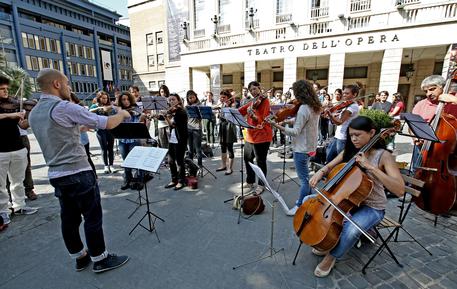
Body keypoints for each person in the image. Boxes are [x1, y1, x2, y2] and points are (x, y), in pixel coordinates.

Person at [29, 68, 129, 273]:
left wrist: (82, 125)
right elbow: (109, 124)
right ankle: (100, 258)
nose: (69, 87)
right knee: (92, 217)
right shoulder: (63, 106)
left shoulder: (35, 111)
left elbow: (62, 130)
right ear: (56, 84)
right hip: (78, 171)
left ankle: (79, 256)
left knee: (69, 218)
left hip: (56, 174)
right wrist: (122, 113)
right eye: (66, 83)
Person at [308, 116, 405, 277]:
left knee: (352, 230)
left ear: (372, 133)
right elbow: (330, 165)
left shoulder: (383, 156)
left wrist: (371, 167)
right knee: (309, 204)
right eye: (351, 135)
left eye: (358, 135)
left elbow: (400, 190)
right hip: (348, 202)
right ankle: (327, 241)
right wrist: (320, 172)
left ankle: (332, 256)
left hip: (372, 207)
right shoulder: (351, 151)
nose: (353, 139)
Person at [269, 80, 321, 215]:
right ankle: (308, 202)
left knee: (304, 180)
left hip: (301, 148)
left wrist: (277, 125)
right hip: (311, 146)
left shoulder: (303, 108)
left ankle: (299, 206)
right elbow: (304, 121)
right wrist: (288, 121)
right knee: (306, 178)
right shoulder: (314, 106)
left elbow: (295, 131)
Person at [0, 76, 38, 230]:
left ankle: (19, 205)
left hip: (17, 147)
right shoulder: (9, 111)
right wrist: (11, 115)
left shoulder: (13, 104)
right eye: (2, 89)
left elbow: (22, 124)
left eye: (7, 89)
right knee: (0, 184)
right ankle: (2, 211)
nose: (6, 92)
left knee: (18, 180)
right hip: (0, 150)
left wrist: (25, 118)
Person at [411, 75, 457, 169]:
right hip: (422, 148)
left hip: (446, 152)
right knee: (416, 172)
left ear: (443, 87)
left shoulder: (452, 101)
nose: (428, 94)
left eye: (432, 89)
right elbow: (412, 125)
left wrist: (454, 100)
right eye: (426, 91)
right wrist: (415, 137)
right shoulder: (421, 104)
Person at [239, 81, 273, 194]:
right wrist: (230, 112)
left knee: (260, 161)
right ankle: (250, 181)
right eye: (251, 90)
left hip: (262, 135)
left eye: (255, 89)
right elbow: (242, 110)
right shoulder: (252, 101)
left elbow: (263, 119)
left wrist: (253, 116)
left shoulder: (265, 101)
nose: (253, 91)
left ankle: (261, 184)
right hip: (250, 135)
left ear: (259, 88)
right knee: (247, 158)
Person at [116, 91, 146, 190]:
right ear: (120, 101)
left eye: (128, 99)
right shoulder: (119, 110)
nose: (126, 101)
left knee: (137, 159)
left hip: (134, 138)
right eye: (124, 99)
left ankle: (140, 179)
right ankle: (127, 179)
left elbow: (141, 118)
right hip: (123, 139)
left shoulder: (135, 107)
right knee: (126, 161)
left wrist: (142, 116)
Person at [325, 85, 360, 163]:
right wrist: (333, 116)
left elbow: (339, 122)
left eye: (347, 93)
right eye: (343, 93)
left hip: (343, 138)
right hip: (338, 136)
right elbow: (338, 120)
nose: (344, 95)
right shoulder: (346, 105)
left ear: (354, 95)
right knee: (329, 158)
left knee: (340, 161)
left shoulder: (352, 107)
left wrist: (330, 115)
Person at [164, 93, 188, 190]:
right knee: (170, 160)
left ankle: (181, 181)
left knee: (179, 160)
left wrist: (166, 117)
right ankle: (174, 180)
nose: (171, 102)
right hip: (173, 138)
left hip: (180, 138)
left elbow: (173, 125)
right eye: (169, 100)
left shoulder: (181, 112)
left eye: (173, 99)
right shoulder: (173, 112)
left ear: (178, 100)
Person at [70, 93, 97, 177]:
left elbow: (88, 123)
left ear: (74, 100)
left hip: (82, 139)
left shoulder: (80, 110)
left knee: (87, 159)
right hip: (71, 141)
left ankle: (93, 176)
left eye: (70, 101)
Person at [91, 91, 117, 174]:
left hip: (110, 129)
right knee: (104, 149)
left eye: (106, 98)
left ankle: (111, 165)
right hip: (100, 130)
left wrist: (111, 109)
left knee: (110, 148)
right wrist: (99, 109)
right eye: (103, 98)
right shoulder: (95, 106)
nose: (105, 100)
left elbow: (115, 115)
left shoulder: (109, 106)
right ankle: (106, 166)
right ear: (99, 98)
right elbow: (89, 111)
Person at [216, 89, 237, 175]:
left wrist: (227, 107)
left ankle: (230, 168)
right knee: (223, 147)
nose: (221, 99)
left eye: (223, 97)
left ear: (228, 97)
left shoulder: (233, 105)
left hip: (229, 127)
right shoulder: (222, 105)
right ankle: (224, 165)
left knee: (230, 148)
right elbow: (220, 117)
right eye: (221, 97)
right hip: (222, 127)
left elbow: (230, 117)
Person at [186, 90, 203, 169]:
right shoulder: (187, 106)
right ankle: (191, 166)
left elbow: (203, 116)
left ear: (195, 97)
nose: (191, 99)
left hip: (197, 128)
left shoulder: (200, 105)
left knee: (198, 149)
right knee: (190, 149)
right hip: (188, 128)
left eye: (193, 97)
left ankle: (200, 166)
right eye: (189, 98)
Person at [157, 84, 170, 149]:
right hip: (161, 125)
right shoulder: (157, 101)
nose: (163, 94)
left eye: (165, 92)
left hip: (168, 124)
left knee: (170, 144)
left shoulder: (169, 100)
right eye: (162, 92)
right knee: (162, 144)